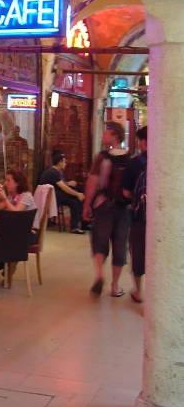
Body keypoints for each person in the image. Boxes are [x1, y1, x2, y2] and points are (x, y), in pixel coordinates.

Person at [83, 121, 130, 298]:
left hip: (103, 205)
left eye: (106, 133)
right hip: (123, 208)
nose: (103, 136)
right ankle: (115, 286)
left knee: (99, 241)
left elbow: (93, 182)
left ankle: (99, 275)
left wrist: (87, 205)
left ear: (115, 136)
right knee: (120, 245)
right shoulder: (129, 157)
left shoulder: (102, 157)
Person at [122, 126, 148, 303]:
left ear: (143, 141)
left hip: (140, 218)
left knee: (138, 253)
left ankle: (138, 291)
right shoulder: (169, 160)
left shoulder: (134, 163)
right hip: (162, 220)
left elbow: (126, 192)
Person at [38, 150, 85, 233]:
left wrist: (68, 183)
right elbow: (63, 187)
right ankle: (75, 227)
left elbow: (61, 184)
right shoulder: (53, 172)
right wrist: (77, 194)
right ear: (60, 162)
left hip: (55, 195)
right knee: (75, 200)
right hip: (51, 198)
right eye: (64, 162)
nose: (65, 164)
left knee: (77, 192)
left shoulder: (56, 172)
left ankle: (81, 224)